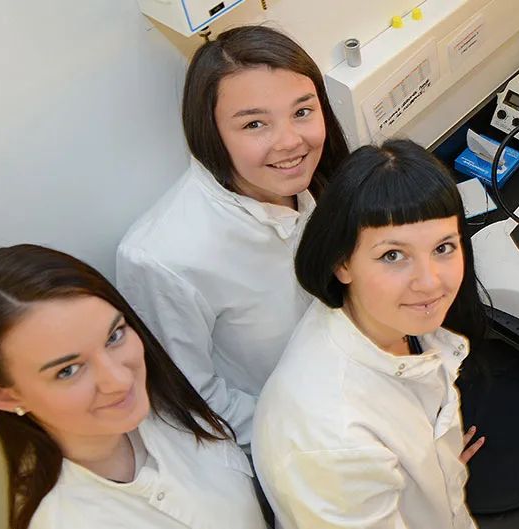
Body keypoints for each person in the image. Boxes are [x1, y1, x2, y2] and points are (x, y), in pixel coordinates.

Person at [116, 25, 349, 445]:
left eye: (302, 112)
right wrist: (335, 437)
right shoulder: (163, 257)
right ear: (210, 132)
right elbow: (194, 400)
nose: (290, 142)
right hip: (299, 441)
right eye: (255, 124)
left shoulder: (319, 178)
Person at [253, 140, 486, 528]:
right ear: (342, 263)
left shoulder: (384, 320)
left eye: (444, 247)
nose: (430, 283)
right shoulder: (336, 441)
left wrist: (434, 468)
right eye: (393, 255)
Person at [0, 245, 266, 529]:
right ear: (3, 394)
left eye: (114, 337)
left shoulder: (162, 401)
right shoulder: (62, 518)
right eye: (68, 370)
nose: (119, 380)